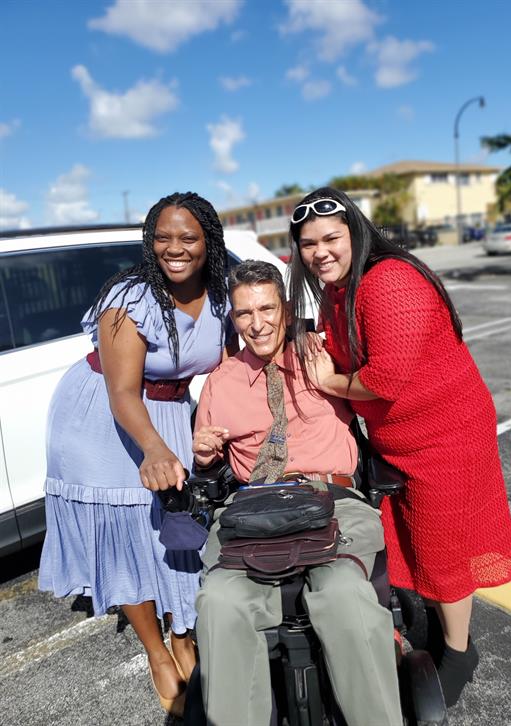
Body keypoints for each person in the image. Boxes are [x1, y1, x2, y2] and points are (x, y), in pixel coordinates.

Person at [287, 187, 511, 707]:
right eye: (308, 243)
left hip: (446, 433)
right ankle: (445, 629)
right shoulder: (338, 290)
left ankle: (459, 651)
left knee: (443, 548)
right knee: (416, 538)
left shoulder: (389, 282)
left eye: (331, 238)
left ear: (356, 232)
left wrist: (329, 381)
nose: (320, 251)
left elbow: (387, 379)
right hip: (399, 438)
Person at [39, 191, 234, 717]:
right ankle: (157, 652)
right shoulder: (130, 299)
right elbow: (123, 392)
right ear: (150, 242)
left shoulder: (221, 296)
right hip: (105, 417)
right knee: (126, 537)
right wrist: (153, 449)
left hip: (168, 412)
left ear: (208, 241)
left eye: (188, 237)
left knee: (177, 535)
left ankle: (185, 636)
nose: (174, 248)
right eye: (162, 237)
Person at [192, 260, 403, 726]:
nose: (257, 323)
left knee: (345, 592)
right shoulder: (220, 383)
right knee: (219, 603)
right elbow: (205, 461)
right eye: (245, 313)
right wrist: (204, 457)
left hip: (333, 499)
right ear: (233, 318)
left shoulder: (320, 357)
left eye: (267, 308)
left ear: (285, 310)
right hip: (255, 508)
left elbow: (387, 390)